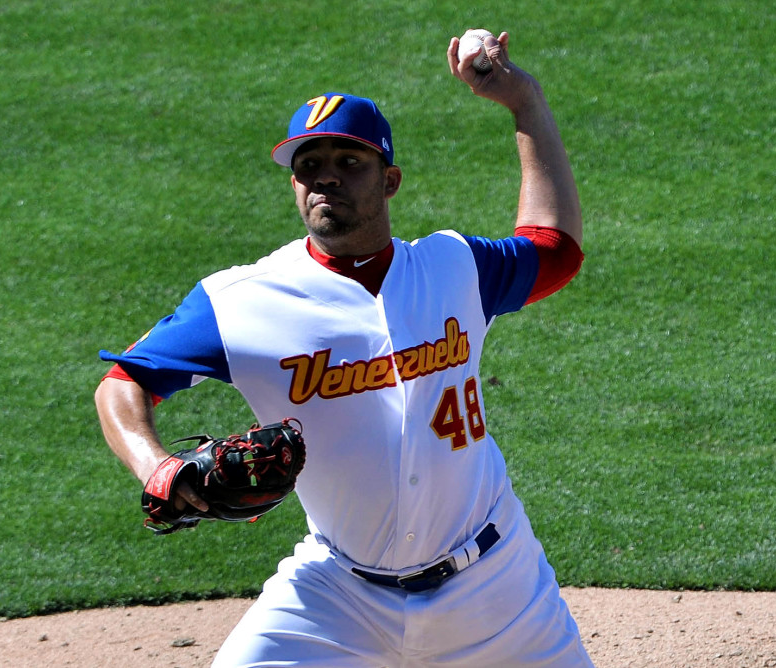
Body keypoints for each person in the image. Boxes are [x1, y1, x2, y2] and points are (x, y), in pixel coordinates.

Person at [94, 31, 594, 667]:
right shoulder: (241, 300)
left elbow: (555, 249)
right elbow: (123, 382)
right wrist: (157, 467)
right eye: (308, 165)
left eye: (348, 162)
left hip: (498, 586)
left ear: (390, 180)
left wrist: (525, 102)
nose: (324, 177)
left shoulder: (453, 267)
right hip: (339, 594)